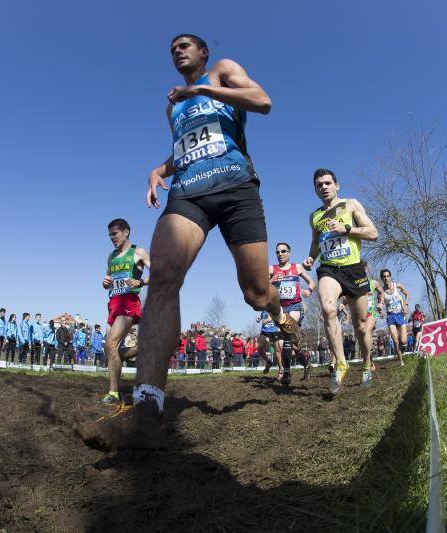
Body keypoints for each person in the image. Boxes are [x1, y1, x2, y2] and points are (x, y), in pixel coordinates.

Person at [90, 34, 302, 448]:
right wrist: (158, 170)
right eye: (171, 48)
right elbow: (184, 151)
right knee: (165, 275)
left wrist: (204, 88)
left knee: (256, 294)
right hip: (188, 193)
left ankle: (278, 312)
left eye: (185, 44)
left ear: (203, 53)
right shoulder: (173, 106)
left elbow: (263, 101)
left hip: (237, 188)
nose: (177, 50)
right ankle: (148, 408)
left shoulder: (221, 71)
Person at [303, 168, 379, 395]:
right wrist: (311, 257)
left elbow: (373, 233)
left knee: (362, 327)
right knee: (328, 308)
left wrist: (347, 228)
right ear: (315, 190)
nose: (323, 187)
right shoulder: (314, 216)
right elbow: (316, 243)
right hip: (329, 269)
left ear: (337, 185)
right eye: (319, 185)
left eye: (327, 183)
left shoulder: (351, 205)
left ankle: (366, 363)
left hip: (353, 269)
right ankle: (341, 363)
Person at [100, 219, 150, 404]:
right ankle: (143, 348)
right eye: (110, 235)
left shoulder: (138, 252)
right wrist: (105, 283)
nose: (112, 238)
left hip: (129, 303)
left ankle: (113, 393)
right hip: (113, 305)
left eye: (115, 234)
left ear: (126, 232)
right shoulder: (111, 256)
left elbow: (159, 272)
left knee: (110, 344)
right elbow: (109, 280)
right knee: (111, 350)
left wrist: (140, 282)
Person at [270, 242, 316, 384]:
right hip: (281, 309)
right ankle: (306, 364)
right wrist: (270, 281)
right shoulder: (272, 269)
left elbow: (311, 282)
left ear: (289, 253)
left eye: (283, 251)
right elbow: (260, 286)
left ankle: (287, 373)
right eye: (277, 252)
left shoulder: (297, 268)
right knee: (290, 344)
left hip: (296, 307)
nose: (280, 254)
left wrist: (309, 290)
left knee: (287, 336)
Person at [380, 269, 410, 366]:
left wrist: (406, 305)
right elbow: (380, 304)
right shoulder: (381, 292)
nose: (386, 278)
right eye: (384, 277)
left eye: (388, 276)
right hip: (391, 317)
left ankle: (403, 347)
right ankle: (401, 361)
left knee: (404, 341)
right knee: (395, 340)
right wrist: (380, 312)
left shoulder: (398, 286)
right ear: (382, 279)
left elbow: (407, 294)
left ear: (390, 277)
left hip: (400, 316)